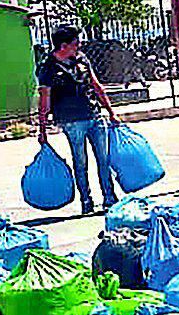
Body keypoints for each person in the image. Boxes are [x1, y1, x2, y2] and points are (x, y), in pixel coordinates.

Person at [36, 25, 118, 214]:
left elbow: (96, 86)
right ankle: (86, 201)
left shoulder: (81, 59)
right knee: (80, 163)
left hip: (94, 115)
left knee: (104, 160)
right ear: (63, 46)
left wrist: (111, 112)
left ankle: (110, 198)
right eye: (75, 43)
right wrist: (42, 130)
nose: (79, 46)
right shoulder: (47, 68)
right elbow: (44, 101)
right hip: (71, 122)